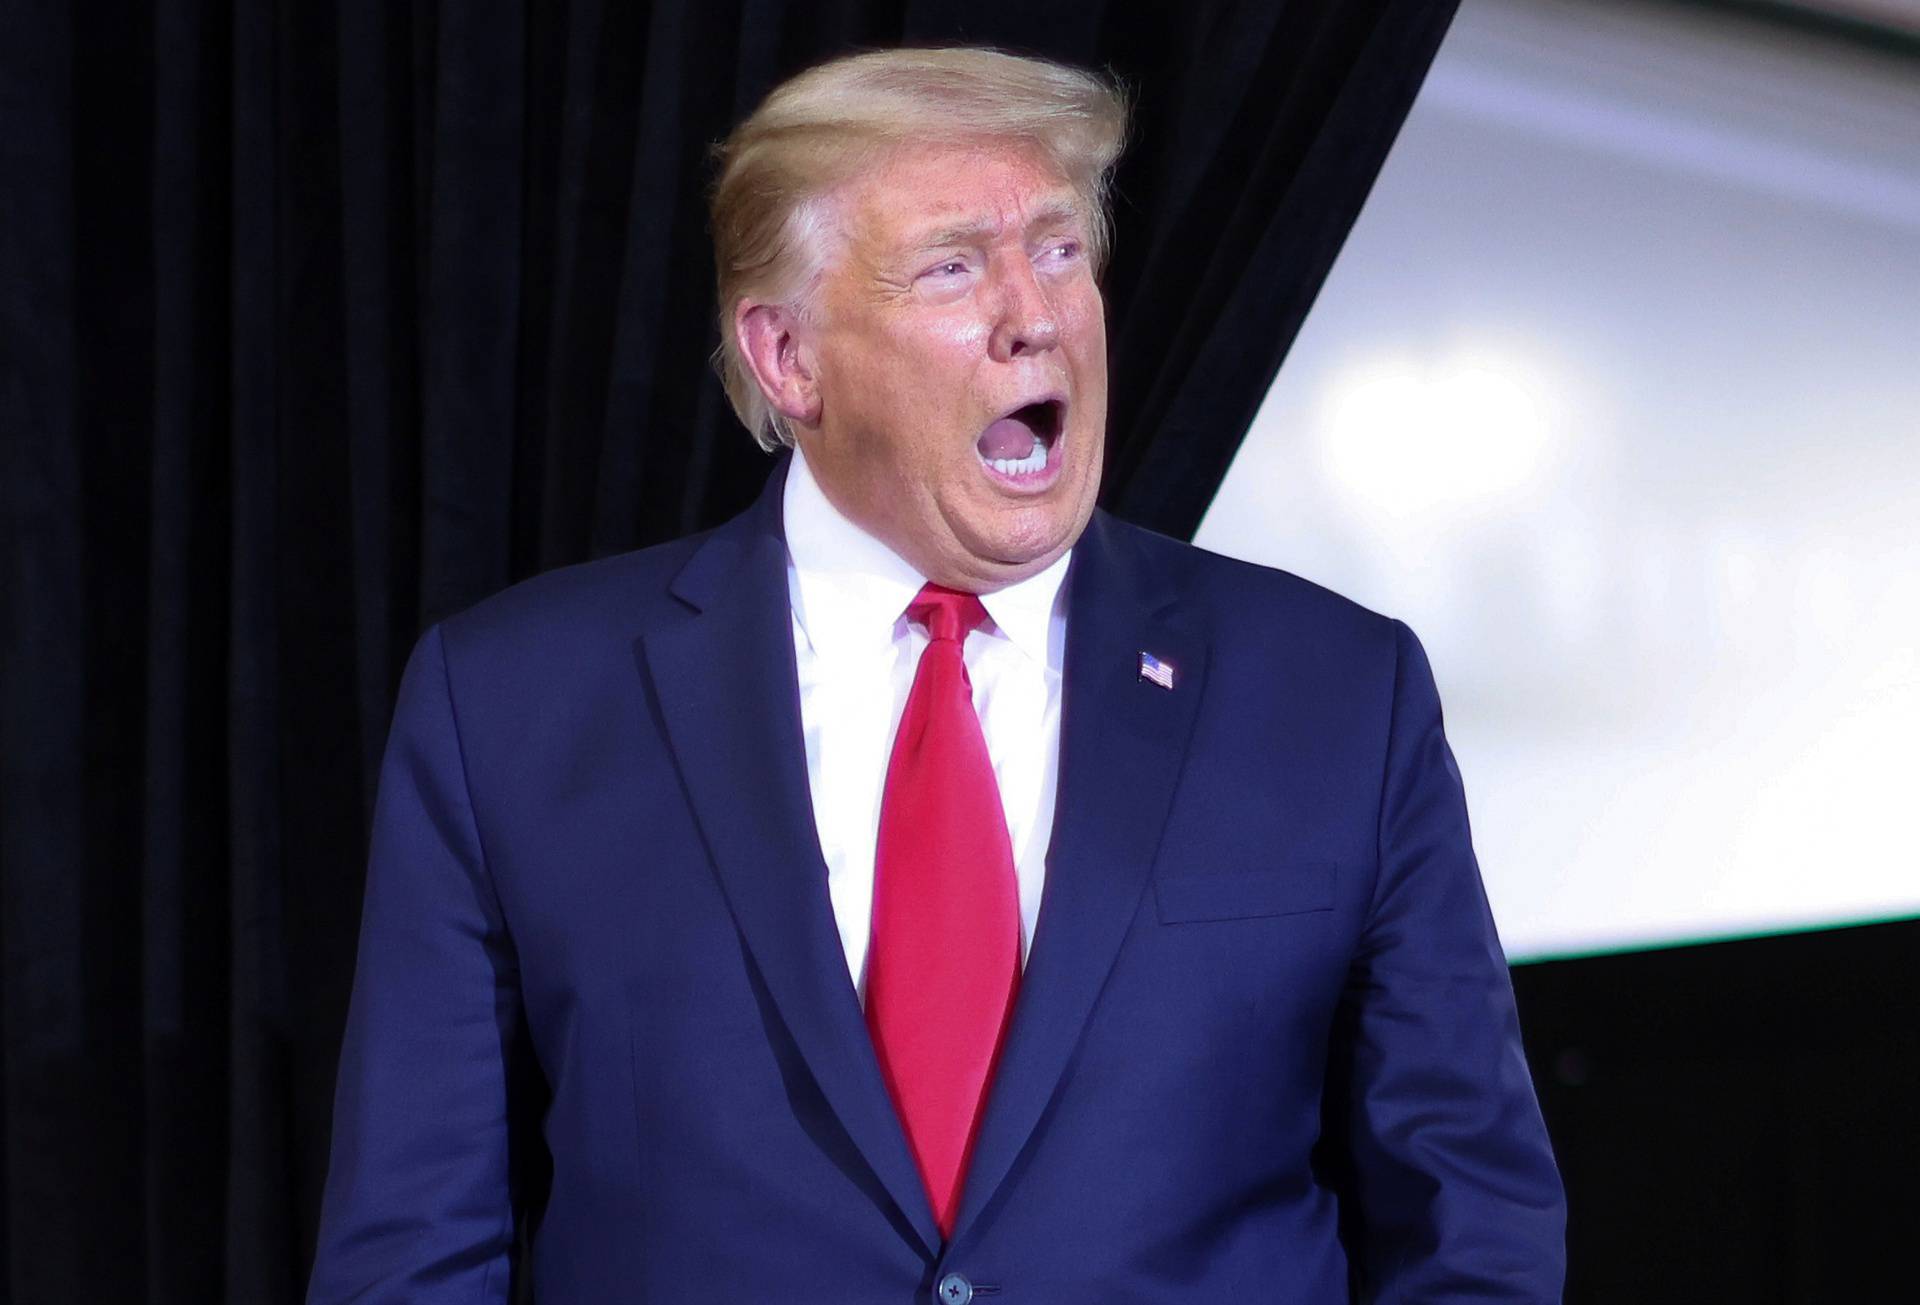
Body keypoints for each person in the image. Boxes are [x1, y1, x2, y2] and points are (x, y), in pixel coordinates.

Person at [307, 47, 1565, 1304]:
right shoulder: (515, 707)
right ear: (788, 357)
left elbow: (1473, 1223)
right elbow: (414, 1252)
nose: (1036, 314)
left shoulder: (1336, 693)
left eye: (1062, 251)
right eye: (955, 266)